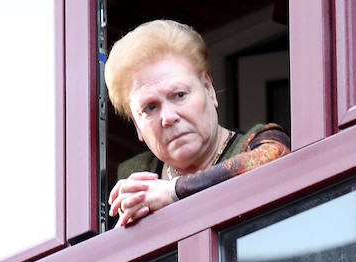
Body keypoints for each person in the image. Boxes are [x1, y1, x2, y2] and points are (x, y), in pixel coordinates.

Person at [105, 19, 291, 227]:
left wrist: (174, 190)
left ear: (208, 89)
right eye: (150, 107)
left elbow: (276, 156)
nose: (168, 117)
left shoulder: (258, 143)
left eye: (179, 95)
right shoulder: (128, 180)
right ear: (137, 126)